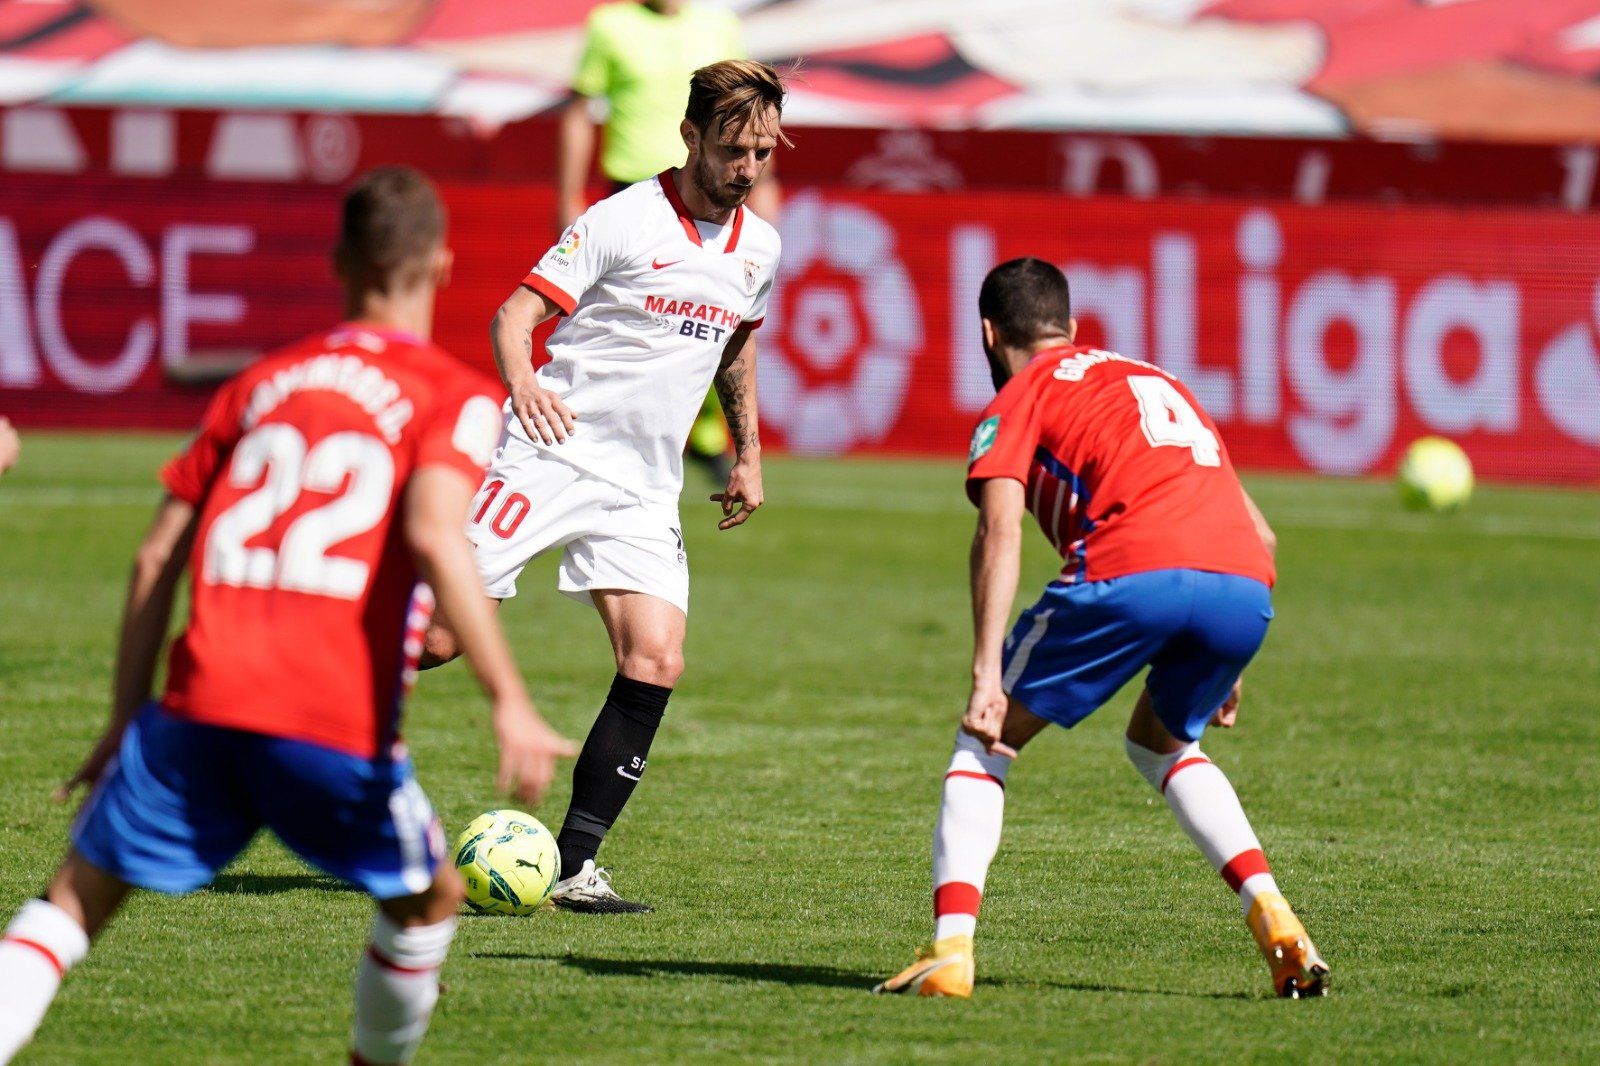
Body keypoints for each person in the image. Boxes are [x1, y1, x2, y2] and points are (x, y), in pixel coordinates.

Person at [0, 167, 576, 1066]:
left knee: (70, 906)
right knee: (428, 901)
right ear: (443, 264)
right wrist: (508, 694)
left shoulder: (260, 382)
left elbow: (156, 555)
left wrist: (124, 719)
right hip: (328, 720)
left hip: (196, 709)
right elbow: (434, 530)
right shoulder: (452, 396)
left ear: (339, 260)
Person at [874, 259, 1329, 1000]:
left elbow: (998, 532)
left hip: (1132, 569)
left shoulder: (1020, 395)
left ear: (987, 333)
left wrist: (987, 675)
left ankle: (950, 951)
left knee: (986, 741)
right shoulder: (1160, 379)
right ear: (1073, 328)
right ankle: (1275, 916)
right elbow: (1261, 534)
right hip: (1241, 586)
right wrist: (1225, 655)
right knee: (1162, 743)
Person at [422, 59, 787, 914]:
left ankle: (576, 864)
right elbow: (514, 316)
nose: (747, 169)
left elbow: (737, 342)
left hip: (642, 486)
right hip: (549, 453)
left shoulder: (759, 246)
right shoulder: (622, 220)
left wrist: (749, 452)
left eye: (763, 152)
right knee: (438, 641)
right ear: (691, 136)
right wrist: (523, 383)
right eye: (734, 149)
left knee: (656, 657)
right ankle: (298, 694)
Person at [559, 0, 781, 484]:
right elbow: (579, 113)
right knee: (623, 324)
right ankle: (599, 426)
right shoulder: (610, 25)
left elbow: (752, 112)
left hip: (711, 197)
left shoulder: (719, 26)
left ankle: (701, 436)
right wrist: (569, 195)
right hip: (633, 196)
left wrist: (764, 184)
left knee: (709, 318)